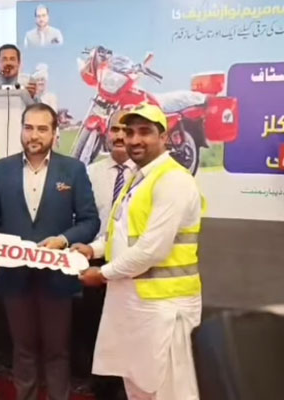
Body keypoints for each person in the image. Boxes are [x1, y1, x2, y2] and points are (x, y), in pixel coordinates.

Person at [73, 103, 204, 400]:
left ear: (164, 137)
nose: (134, 139)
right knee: (138, 387)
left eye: (145, 132)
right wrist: (91, 249)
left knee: (170, 392)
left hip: (165, 308)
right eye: (129, 132)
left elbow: (151, 250)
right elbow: (119, 234)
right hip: (133, 303)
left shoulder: (174, 180)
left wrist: (101, 274)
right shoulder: (138, 177)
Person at [0, 103, 99, 400]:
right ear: (22, 129)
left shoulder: (73, 169)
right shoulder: (1, 169)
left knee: (57, 350)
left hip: (57, 278)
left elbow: (90, 221)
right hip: (14, 276)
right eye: (28, 127)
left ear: (54, 133)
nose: (34, 135)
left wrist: (62, 239)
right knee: (23, 349)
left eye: (42, 129)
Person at [83, 109, 136, 400]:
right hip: (96, 258)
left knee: (128, 327)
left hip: (133, 263)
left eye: (126, 130)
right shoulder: (90, 173)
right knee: (96, 326)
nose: (119, 136)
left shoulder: (145, 175)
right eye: (115, 129)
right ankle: (100, 387)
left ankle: (127, 388)